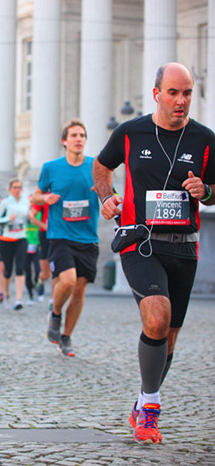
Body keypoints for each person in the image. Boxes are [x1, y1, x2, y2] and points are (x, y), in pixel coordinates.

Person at [93, 63, 215, 444]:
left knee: (168, 336)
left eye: (187, 93)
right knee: (157, 317)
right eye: (174, 93)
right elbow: (102, 167)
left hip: (184, 246)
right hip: (139, 241)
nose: (181, 101)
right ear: (157, 93)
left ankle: (143, 398)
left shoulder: (206, 140)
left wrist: (205, 192)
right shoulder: (130, 132)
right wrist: (106, 197)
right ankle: (150, 408)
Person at [33, 119, 99, 357]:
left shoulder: (96, 166)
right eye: (74, 135)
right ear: (64, 141)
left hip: (88, 237)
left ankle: (67, 336)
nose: (79, 139)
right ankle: (56, 313)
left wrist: (108, 194)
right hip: (60, 234)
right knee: (68, 281)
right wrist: (45, 199)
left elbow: (110, 192)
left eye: (82, 135)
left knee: (80, 290)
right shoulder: (51, 167)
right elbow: (35, 196)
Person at [0, 178, 30, 310]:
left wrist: (30, 218)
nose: (17, 190)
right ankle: (7, 294)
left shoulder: (26, 203)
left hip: (21, 238)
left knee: (20, 268)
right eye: (15, 187)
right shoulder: (5, 203)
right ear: (10, 189)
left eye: (19, 187)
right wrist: (8, 219)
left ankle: (18, 299)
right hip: (7, 239)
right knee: (8, 270)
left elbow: (28, 221)